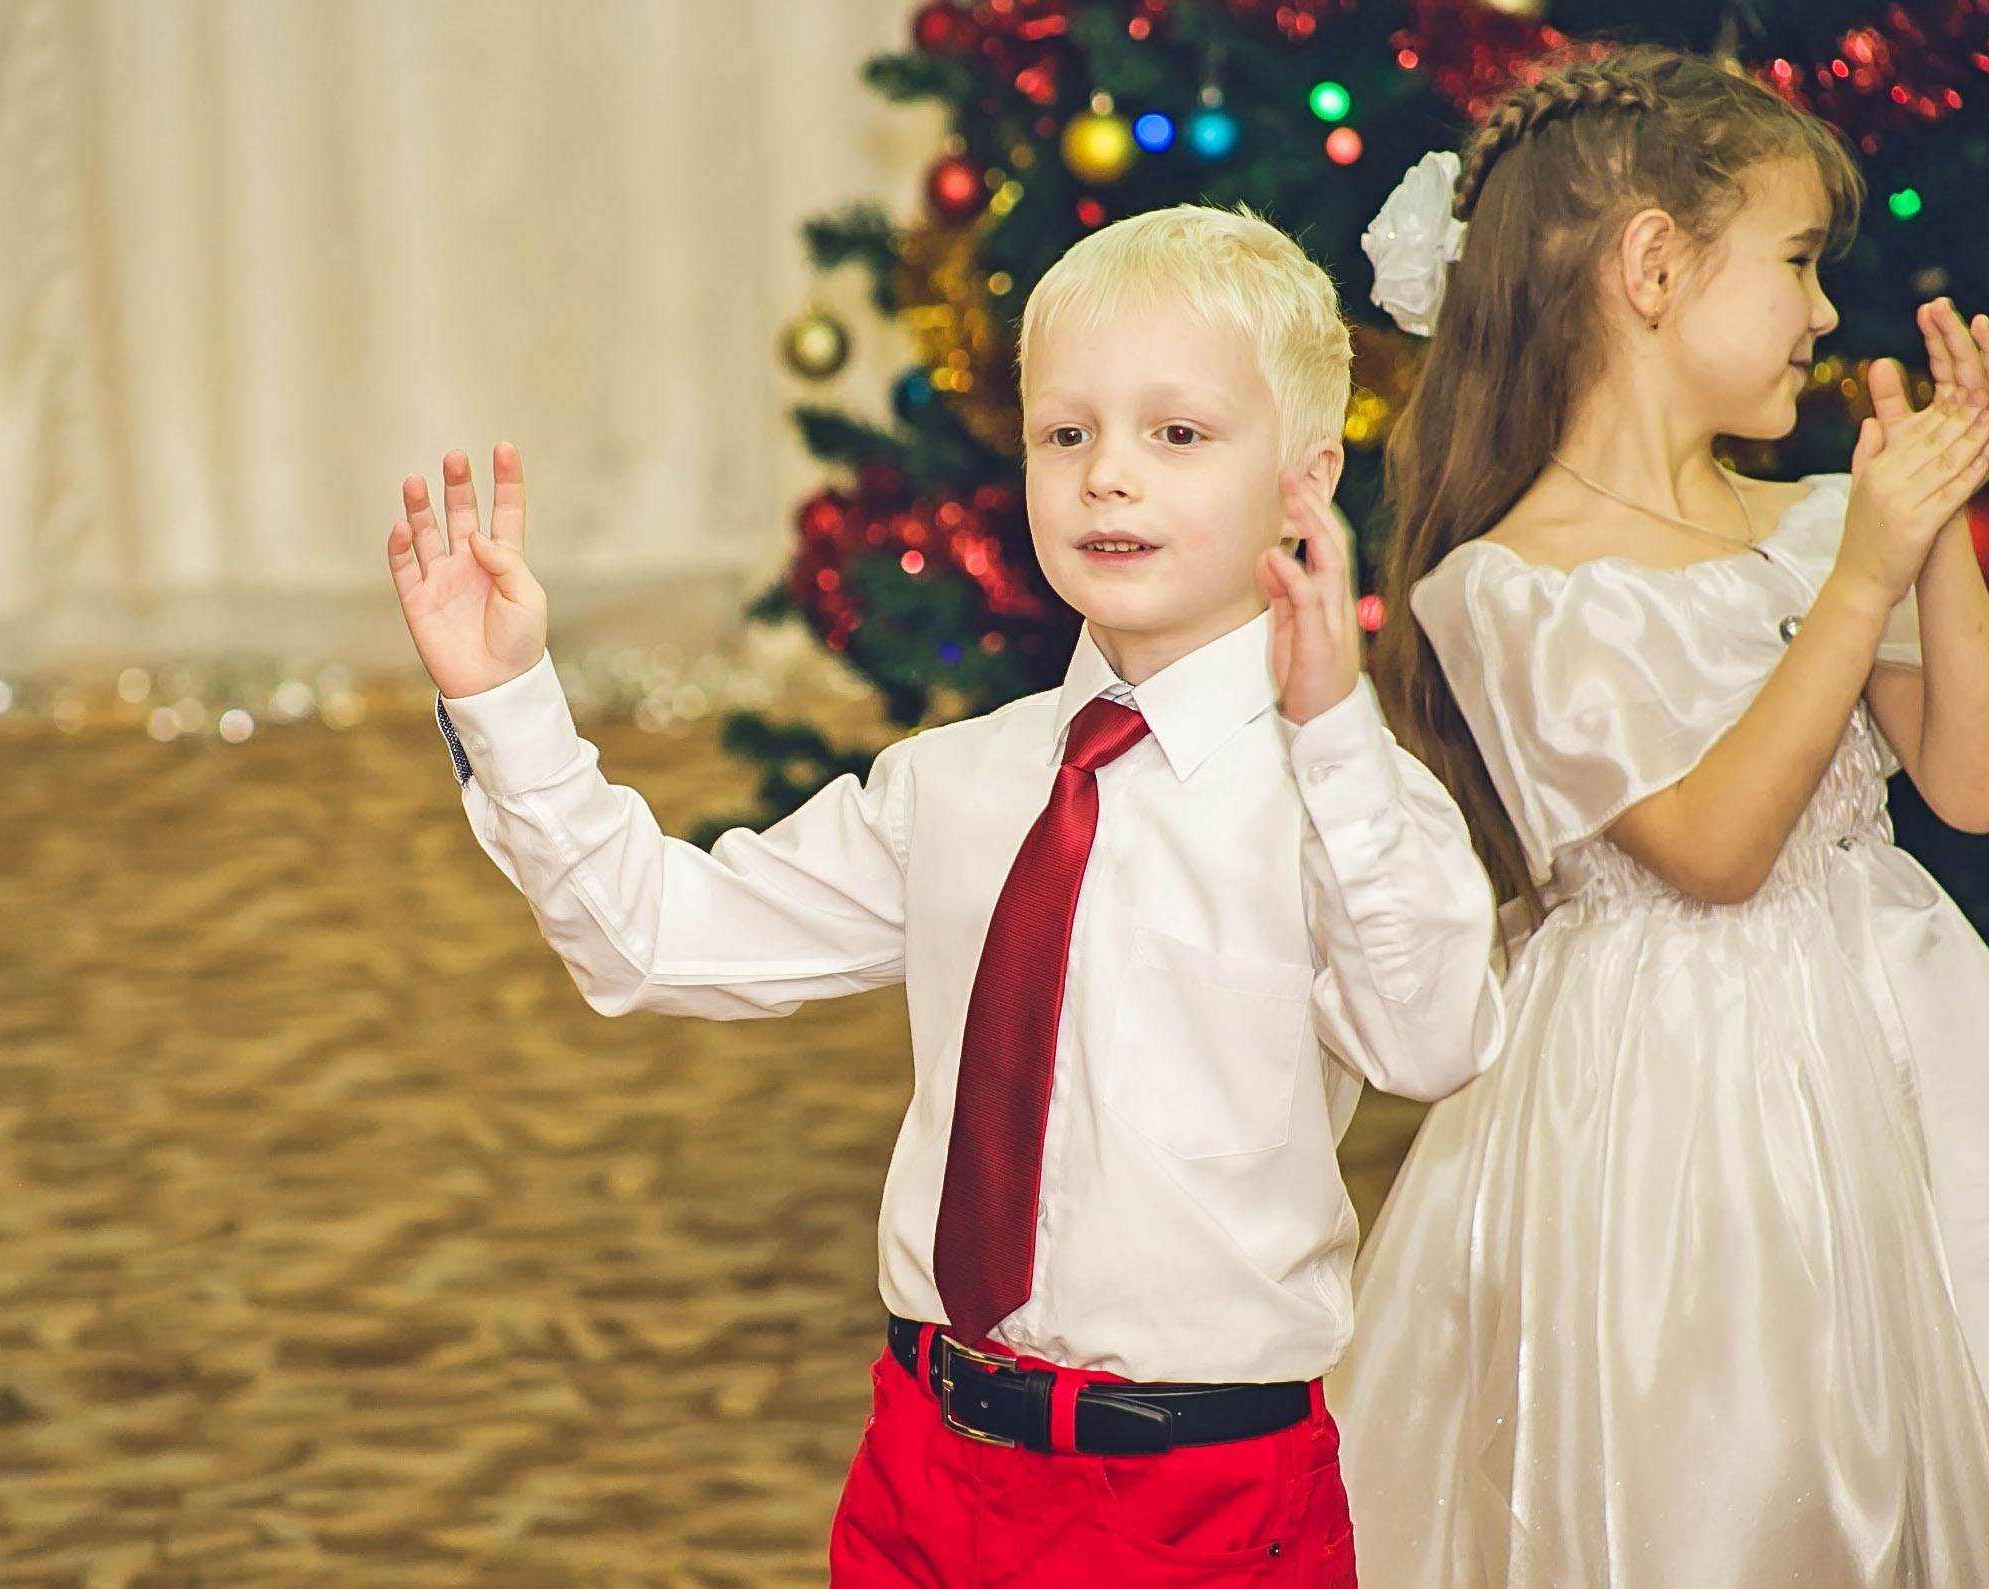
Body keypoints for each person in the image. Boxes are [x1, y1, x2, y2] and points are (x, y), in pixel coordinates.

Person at [386, 202, 1503, 1586]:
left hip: (1194, 1493)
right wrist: (507, 702)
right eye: (1065, 433)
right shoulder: (954, 786)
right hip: (926, 1456)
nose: (1107, 478)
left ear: (1306, 477)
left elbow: (1432, 1037)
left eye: (1178, 434)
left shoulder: (1340, 800)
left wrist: (1334, 731)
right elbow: (652, 940)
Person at [1337, 45, 1989, 1587]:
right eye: (1791, 262)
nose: (1822, 311)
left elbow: (1977, 786)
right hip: (1669, 1103)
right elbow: (1710, 850)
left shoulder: (1813, 519)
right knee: (1730, 1462)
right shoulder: (1512, 582)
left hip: (1902, 1049)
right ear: (1652, 267)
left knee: (1971, 1432)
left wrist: (1928, 522)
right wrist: (1863, 571)